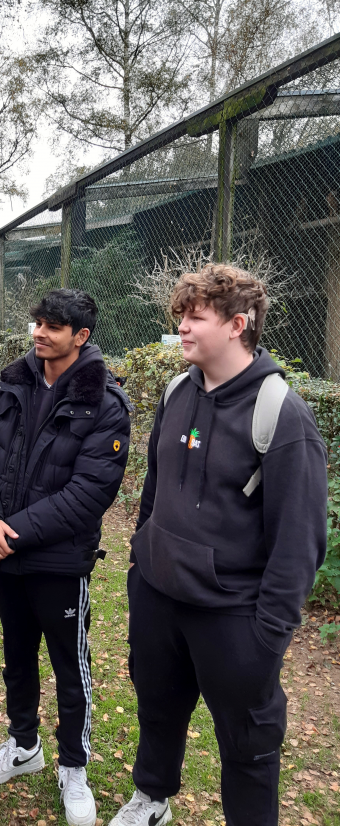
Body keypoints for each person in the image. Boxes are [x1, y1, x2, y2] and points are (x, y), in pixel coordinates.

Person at [110, 264, 327, 826]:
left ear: (237, 325)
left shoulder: (282, 416)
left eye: (195, 317)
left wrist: (266, 640)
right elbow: (155, 490)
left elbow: (299, 545)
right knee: (157, 708)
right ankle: (151, 798)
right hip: (158, 597)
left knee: (248, 743)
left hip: (233, 615)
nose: (181, 327)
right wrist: (143, 558)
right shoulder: (176, 391)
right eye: (180, 315)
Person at [0, 289, 131, 826]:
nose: (39, 333)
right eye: (37, 322)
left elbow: (88, 494)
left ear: (81, 336)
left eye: (53, 326)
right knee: (17, 655)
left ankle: (74, 767)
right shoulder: (15, 382)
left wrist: (9, 531)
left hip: (59, 563)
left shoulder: (105, 402)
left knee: (69, 667)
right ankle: (23, 746)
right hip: (8, 557)